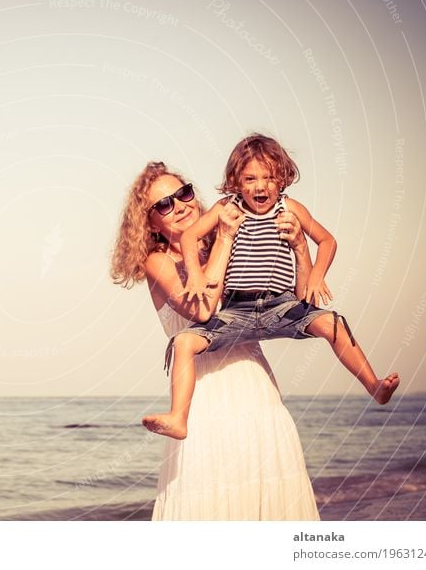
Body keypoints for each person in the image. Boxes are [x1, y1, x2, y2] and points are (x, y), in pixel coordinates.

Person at [141, 135, 399, 440]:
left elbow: (327, 240)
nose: (259, 187)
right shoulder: (226, 209)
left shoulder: (291, 208)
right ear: (235, 181)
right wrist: (195, 275)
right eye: (249, 179)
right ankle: (178, 418)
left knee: (333, 322)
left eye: (268, 178)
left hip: (282, 305)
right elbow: (188, 238)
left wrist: (316, 272)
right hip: (238, 311)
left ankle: (374, 387)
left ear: (283, 178)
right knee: (183, 343)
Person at [111, 161, 319, 520]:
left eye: (184, 193)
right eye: (163, 204)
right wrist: (224, 237)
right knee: (208, 496)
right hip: (202, 397)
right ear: (150, 222)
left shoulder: (235, 241)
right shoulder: (157, 262)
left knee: (267, 492)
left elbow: (300, 300)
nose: (179, 206)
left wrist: (300, 247)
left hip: (253, 383)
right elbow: (204, 308)